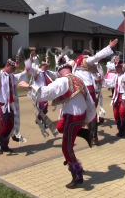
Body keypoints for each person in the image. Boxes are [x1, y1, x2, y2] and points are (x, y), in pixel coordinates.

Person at [18, 56, 96, 189]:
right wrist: (87, 119)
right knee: (58, 127)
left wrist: (29, 86)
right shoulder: (79, 80)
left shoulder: (63, 81)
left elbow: (47, 92)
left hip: (73, 118)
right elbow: (91, 102)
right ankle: (84, 133)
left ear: (61, 72)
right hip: (78, 116)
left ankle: (77, 176)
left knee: (66, 148)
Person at [71, 39, 118, 145]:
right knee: (92, 113)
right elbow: (97, 56)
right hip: (88, 90)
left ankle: (84, 132)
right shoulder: (87, 60)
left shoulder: (75, 63)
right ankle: (93, 136)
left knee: (79, 111)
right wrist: (109, 47)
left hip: (77, 89)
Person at [104, 61, 125, 137]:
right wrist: (102, 80)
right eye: (116, 68)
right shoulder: (116, 76)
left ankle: (123, 130)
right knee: (115, 113)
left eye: (118, 68)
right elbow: (110, 83)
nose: (117, 69)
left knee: (121, 112)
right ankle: (119, 129)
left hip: (123, 95)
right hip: (116, 96)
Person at [27, 60, 57, 128]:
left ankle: (39, 119)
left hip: (45, 93)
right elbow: (30, 69)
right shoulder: (37, 71)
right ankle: (43, 122)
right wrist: (31, 59)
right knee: (42, 107)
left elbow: (56, 74)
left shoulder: (47, 72)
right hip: (38, 93)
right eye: (47, 66)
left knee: (45, 109)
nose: (48, 67)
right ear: (43, 65)